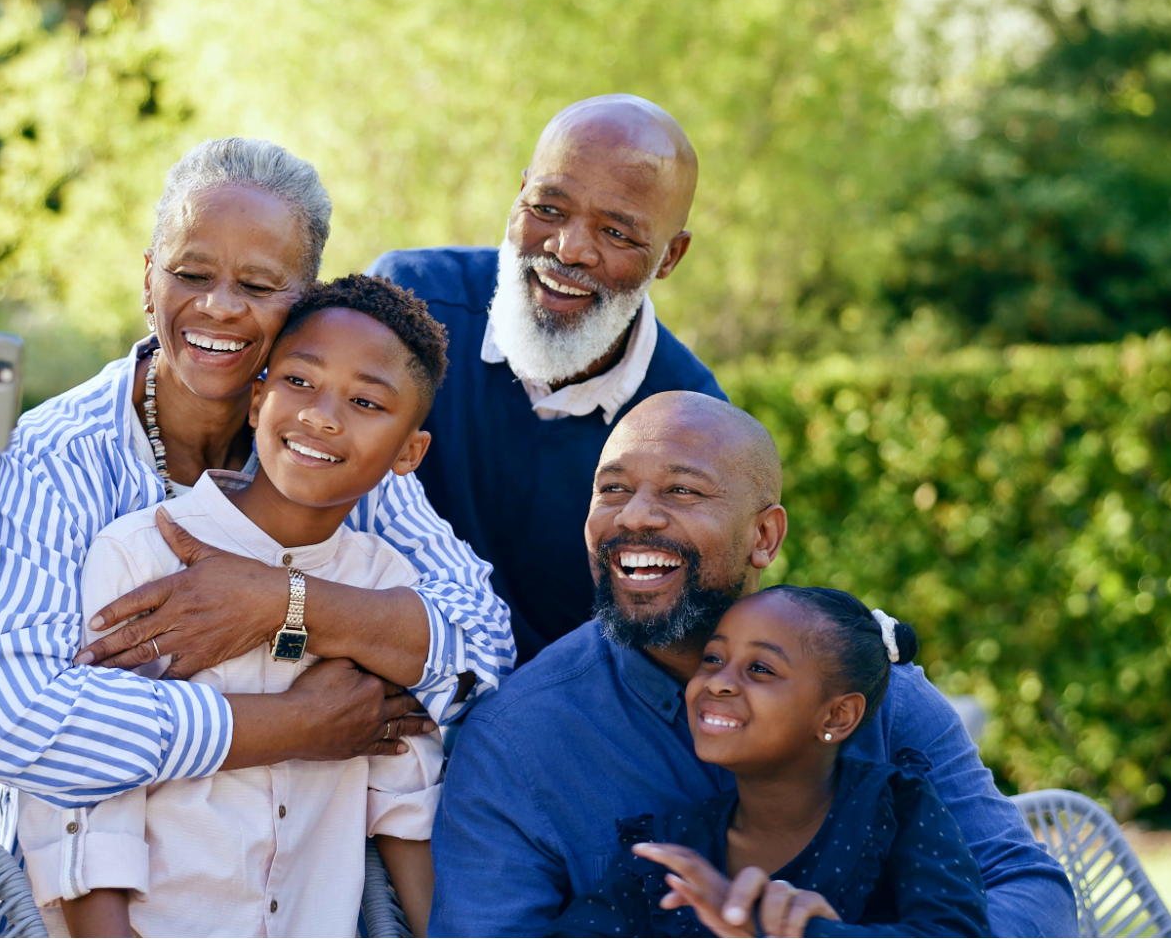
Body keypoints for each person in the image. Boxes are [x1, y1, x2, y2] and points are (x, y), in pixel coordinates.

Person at [0, 139, 514, 817]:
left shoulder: (322, 447)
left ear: (305, 302)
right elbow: (9, 722)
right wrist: (296, 724)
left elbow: (480, 654)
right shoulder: (60, 455)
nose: (219, 307)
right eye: (190, 274)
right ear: (147, 279)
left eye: (256, 285)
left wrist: (282, 601)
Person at [430, 391, 1076, 937]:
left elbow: (1028, 887)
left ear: (763, 536)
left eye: (681, 490)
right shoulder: (518, 742)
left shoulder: (874, 690)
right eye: (612, 489)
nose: (635, 516)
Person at [17, 277, 450, 938]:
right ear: (256, 400)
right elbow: (87, 811)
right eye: (300, 382)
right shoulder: (140, 557)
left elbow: (403, 805)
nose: (322, 415)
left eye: (365, 401)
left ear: (408, 454)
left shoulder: (385, 589)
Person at [370, 94, 723, 661]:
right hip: (365, 672)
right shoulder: (408, 306)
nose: (568, 249)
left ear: (669, 257)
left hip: (544, 728)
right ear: (519, 195)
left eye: (617, 233)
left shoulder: (691, 421)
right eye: (548, 209)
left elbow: (669, 649)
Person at [549, 587, 990, 938]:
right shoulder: (669, 849)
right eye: (713, 659)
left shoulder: (893, 807)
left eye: (760, 669)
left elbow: (956, 931)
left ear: (838, 715)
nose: (719, 682)